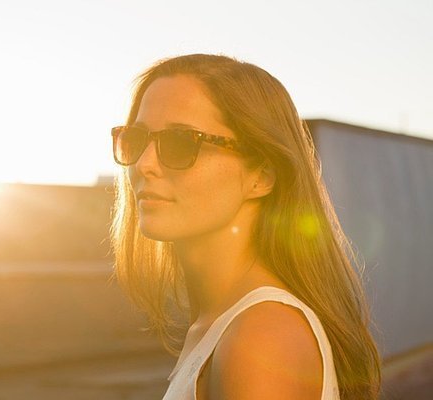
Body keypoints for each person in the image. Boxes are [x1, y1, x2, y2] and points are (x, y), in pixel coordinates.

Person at [109, 54, 380, 399]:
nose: (144, 164)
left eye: (181, 141)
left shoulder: (261, 337)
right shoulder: (224, 323)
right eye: (136, 138)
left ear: (262, 175)